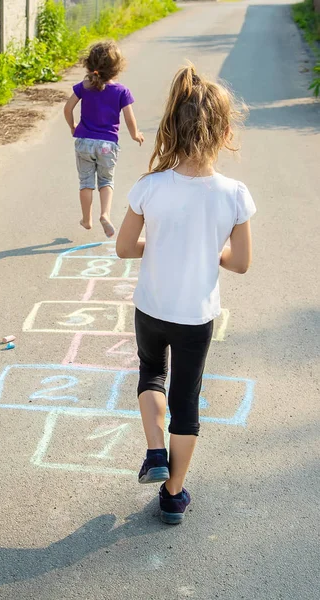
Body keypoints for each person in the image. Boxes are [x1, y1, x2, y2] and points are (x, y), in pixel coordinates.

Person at [116, 64, 256, 524]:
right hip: (197, 315)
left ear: (171, 126)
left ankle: (155, 451)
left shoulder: (149, 186)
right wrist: (208, 253)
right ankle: (174, 495)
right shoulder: (234, 194)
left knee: (151, 373)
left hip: (152, 308)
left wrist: (159, 243)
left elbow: (123, 248)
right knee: (187, 400)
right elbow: (239, 262)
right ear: (224, 131)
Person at [64, 41, 144, 238]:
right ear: (116, 69)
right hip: (108, 145)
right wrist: (135, 134)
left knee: (86, 182)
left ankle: (86, 219)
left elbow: (67, 108)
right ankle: (105, 214)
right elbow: (129, 117)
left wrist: (72, 126)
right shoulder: (121, 91)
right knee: (106, 180)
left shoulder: (83, 86)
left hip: (84, 141)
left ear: (90, 65)